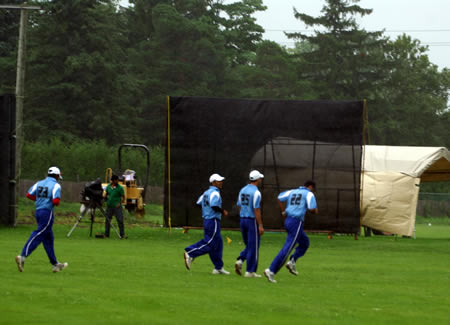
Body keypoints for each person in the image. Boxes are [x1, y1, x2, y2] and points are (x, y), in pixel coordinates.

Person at [264, 180, 319, 283]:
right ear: (311, 187)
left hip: (288, 220)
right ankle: (271, 270)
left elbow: (279, 198)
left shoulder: (292, 191)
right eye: (314, 189)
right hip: (296, 222)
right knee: (288, 248)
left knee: (304, 242)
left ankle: (292, 261)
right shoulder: (309, 194)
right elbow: (312, 209)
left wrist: (283, 211)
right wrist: (315, 210)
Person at [15, 166, 68, 273]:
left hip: (38, 212)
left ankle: (55, 264)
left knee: (48, 238)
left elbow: (29, 194)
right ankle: (23, 256)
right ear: (57, 176)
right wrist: (50, 202)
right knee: (39, 233)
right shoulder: (56, 185)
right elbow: (56, 201)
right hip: (47, 213)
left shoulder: (39, 183)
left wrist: (39, 200)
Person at [184, 173, 230, 275]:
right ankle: (190, 252)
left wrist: (206, 211)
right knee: (210, 243)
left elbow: (198, 203)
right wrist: (223, 211)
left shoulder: (206, 193)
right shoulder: (215, 193)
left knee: (218, 243)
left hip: (207, 220)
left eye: (221, 180)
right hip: (213, 220)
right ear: (213, 182)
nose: (221, 182)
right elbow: (214, 205)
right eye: (219, 181)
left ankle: (218, 267)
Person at [235, 170, 265, 278]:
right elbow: (256, 209)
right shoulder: (256, 192)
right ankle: (250, 271)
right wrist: (260, 225)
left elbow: (239, 205)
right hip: (252, 221)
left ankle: (241, 260)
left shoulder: (242, 190)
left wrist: (243, 214)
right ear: (257, 179)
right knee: (254, 246)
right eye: (260, 178)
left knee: (250, 245)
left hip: (243, 219)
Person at [103, 174, 126, 239]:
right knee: (107, 220)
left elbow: (123, 197)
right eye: (116, 180)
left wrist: (120, 203)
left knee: (120, 220)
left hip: (117, 206)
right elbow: (106, 195)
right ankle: (106, 234)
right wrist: (104, 200)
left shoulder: (120, 188)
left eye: (117, 180)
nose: (117, 181)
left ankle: (122, 235)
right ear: (112, 181)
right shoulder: (108, 187)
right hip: (109, 206)